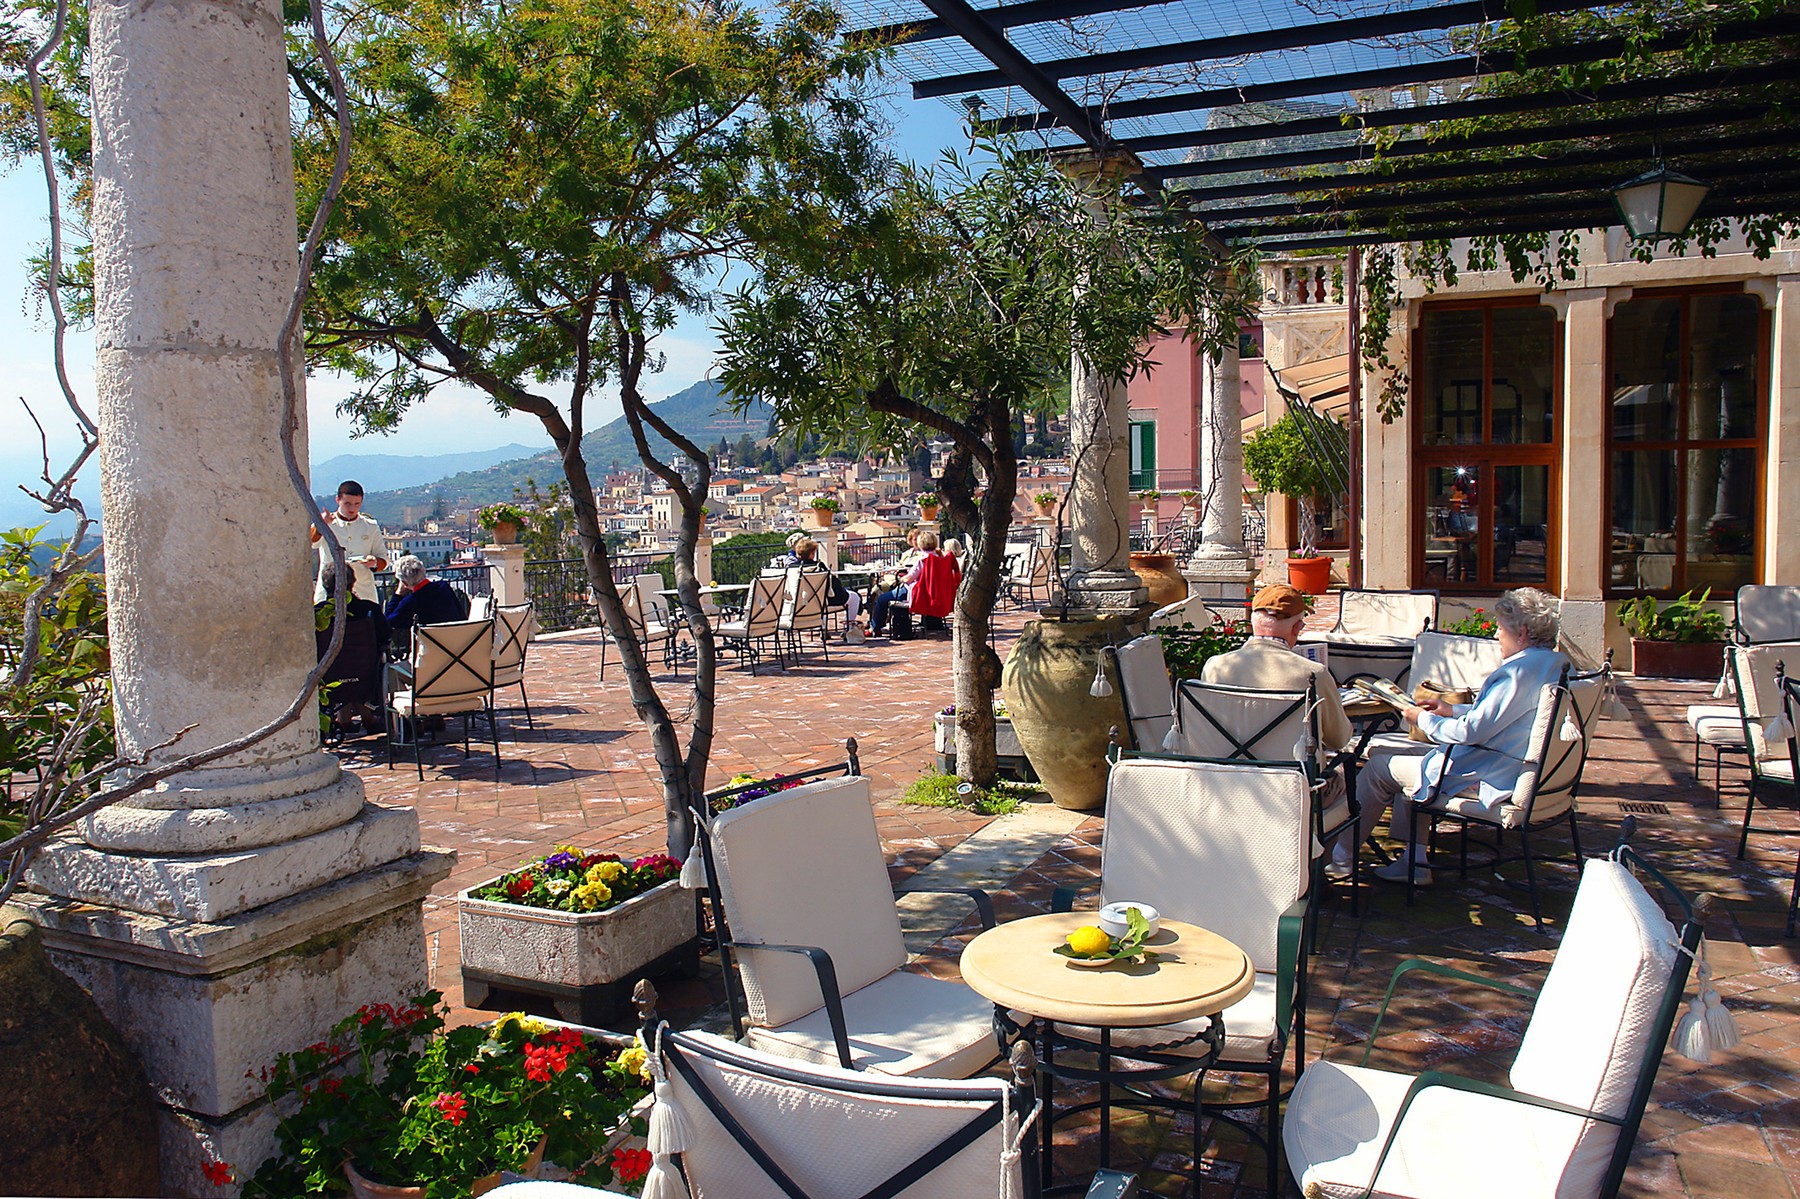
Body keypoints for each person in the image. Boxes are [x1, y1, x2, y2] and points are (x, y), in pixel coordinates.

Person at [1348, 586, 1568, 886]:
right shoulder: (1555, 664)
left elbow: (1470, 732)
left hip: (1494, 775)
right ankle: (1414, 860)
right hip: (1527, 771)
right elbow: (1506, 714)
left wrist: (1422, 719)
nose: (1495, 636)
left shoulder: (1515, 673)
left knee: (1378, 767)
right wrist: (1451, 710)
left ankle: (1341, 857)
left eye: (1500, 629)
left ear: (1524, 632)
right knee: (1412, 764)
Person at [1202, 584, 1354, 847]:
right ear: (1296, 629)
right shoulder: (1313, 674)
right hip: (1289, 794)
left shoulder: (1215, 666)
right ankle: (1316, 869)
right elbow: (1339, 739)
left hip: (1228, 789)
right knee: (1346, 780)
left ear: (1252, 625)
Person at [311, 480, 387, 603]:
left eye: (357, 504)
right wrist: (321, 526)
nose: (352, 508)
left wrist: (374, 562)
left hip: (363, 592)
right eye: (347, 503)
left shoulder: (370, 526)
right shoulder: (326, 522)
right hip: (329, 591)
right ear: (338, 500)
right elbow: (311, 543)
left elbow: (383, 559)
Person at [871, 530, 958, 635]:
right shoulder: (941, 559)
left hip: (919, 594)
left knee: (882, 599)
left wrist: (901, 578)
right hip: (936, 595)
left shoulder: (923, 560)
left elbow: (909, 579)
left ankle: (875, 628)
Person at [384, 555, 468, 654]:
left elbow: (388, 621)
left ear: (404, 583)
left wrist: (398, 594)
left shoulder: (411, 602)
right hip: (459, 650)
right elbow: (461, 616)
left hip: (430, 656)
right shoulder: (444, 588)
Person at [793, 537, 862, 639]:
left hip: (799, 603)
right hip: (822, 601)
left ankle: (823, 628)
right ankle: (848, 628)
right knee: (855, 597)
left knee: (820, 601)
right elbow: (834, 585)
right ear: (811, 554)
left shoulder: (791, 568)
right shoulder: (818, 567)